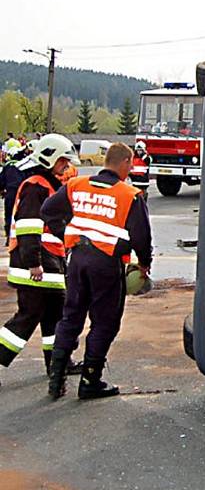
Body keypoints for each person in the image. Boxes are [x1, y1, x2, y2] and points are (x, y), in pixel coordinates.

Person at [42, 142, 152, 400]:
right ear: (125, 162)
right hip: (106, 263)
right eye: (131, 163)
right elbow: (141, 237)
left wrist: (69, 234)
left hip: (77, 259)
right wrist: (144, 264)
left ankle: (56, 379)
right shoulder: (129, 194)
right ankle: (91, 381)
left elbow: (48, 211)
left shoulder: (76, 185)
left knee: (71, 317)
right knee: (104, 321)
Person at [0, 134, 83, 389]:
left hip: (50, 265)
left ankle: (58, 363)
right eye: (62, 162)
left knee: (54, 317)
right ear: (49, 158)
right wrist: (33, 262)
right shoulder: (36, 186)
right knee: (28, 316)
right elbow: (28, 227)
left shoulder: (48, 185)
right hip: (35, 267)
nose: (66, 167)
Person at [0, 145, 26, 245]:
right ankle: (19, 237)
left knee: (9, 215)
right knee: (20, 214)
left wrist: (2, 190)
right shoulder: (23, 165)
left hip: (10, 193)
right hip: (21, 193)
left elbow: (1, 181)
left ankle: (8, 237)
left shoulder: (7, 166)